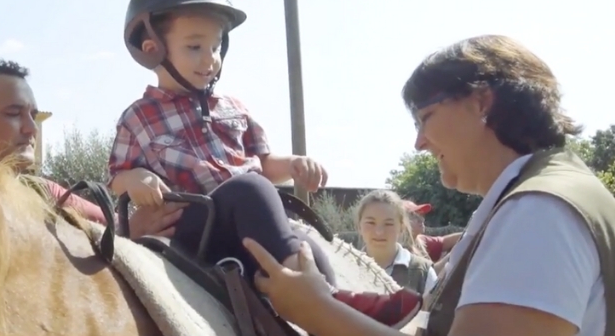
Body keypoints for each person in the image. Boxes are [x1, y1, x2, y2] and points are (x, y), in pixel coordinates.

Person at [107, 0, 421, 329]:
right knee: (250, 188)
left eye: (216, 46)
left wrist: (294, 164)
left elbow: (263, 161)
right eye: (194, 47)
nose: (209, 58)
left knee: (308, 243)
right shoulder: (139, 116)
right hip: (191, 226)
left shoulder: (233, 108)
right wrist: (135, 177)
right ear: (152, 49)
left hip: (245, 217)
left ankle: (333, 306)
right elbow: (117, 175)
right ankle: (326, 300)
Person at [242, 34, 615, 336]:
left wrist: (316, 312)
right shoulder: (557, 192)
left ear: (482, 101)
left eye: (426, 118)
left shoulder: (538, 212)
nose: (419, 142)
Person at [0, 60, 174, 238]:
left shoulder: (44, 192)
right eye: (13, 113)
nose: (31, 129)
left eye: (33, 116)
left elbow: (117, 226)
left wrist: (134, 228)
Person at [357, 190, 438, 294]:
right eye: (371, 222)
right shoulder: (343, 267)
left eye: (388, 224)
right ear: (359, 226)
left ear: (401, 227)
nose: (379, 232)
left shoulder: (422, 273)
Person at [403, 200, 462, 267]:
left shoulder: (419, 240)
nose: (421, 219)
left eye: (420, 214)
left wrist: (469, 234)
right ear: (401, 221)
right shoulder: (401, 250)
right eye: (413, 216)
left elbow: (444, 241)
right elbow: (429, 274)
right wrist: (456, 253)